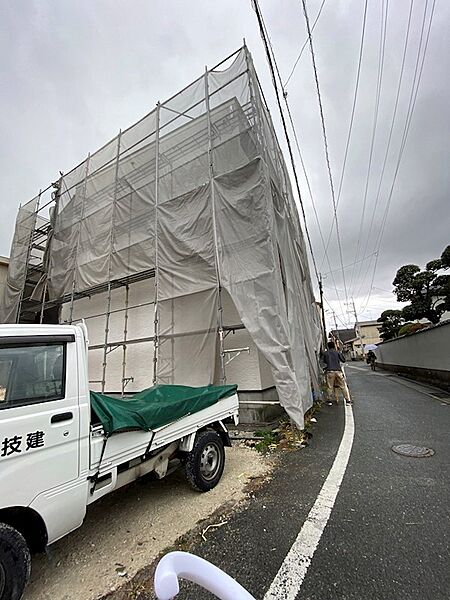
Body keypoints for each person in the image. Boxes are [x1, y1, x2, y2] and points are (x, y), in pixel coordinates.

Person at [322, 341, 352, 405]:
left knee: (330, 386)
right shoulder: (337, 352)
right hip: (338, 371)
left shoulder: (326, 353)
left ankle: (329, 401)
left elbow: (324, 362)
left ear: (328, 346)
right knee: (343, 386)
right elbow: (343, 360)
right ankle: (348, 401)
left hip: (330, 371)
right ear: (334, 346)